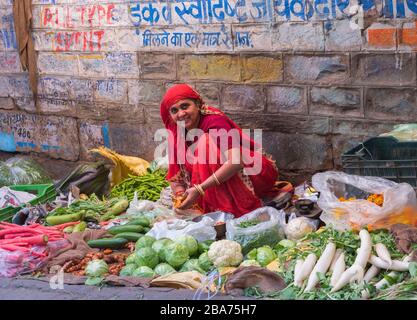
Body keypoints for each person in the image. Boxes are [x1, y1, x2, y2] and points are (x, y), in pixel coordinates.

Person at [160, 84, 283, 218]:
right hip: (210, 184)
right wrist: (181, 197)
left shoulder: (214, 121)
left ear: (198, 104)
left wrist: (200, 189)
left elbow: (236, 162)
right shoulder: (177, 132)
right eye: (174, 110)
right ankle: (216, 207)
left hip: (254, 172)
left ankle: (232, 210)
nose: (181, 114)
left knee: (205, 144)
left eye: (185, 106)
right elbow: (176, 179)